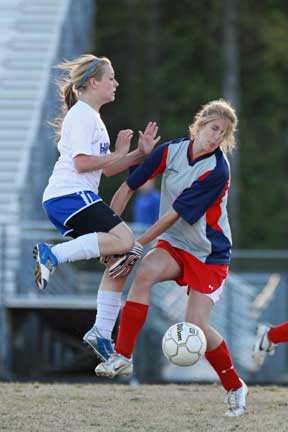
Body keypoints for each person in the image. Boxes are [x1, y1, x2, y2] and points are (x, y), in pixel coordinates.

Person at [93, 99, 248, 417]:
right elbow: (128, 186)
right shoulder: (172, 150)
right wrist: (105, 236)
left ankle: (235, 386)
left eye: (223, 133)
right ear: (200, 125)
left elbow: (175, 215)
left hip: (209, 253)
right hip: (175, 243)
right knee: (145, 271)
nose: (216, 136)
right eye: (213, 128)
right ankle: (122, 356)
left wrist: (136, 244)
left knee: (196, 326)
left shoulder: (218, 170)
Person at [33, 54, 160, 346]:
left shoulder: (93, 117)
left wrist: (138, 153)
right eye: (111, 78)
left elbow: (107, 168)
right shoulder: (81, 115)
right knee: (126, 238)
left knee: (120, 257)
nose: (116, 83)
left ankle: (101, 332)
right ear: (93, 82)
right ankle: (51, 255)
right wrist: (118, 153)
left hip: (73, 198)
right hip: (68, 195)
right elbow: (81, 163)